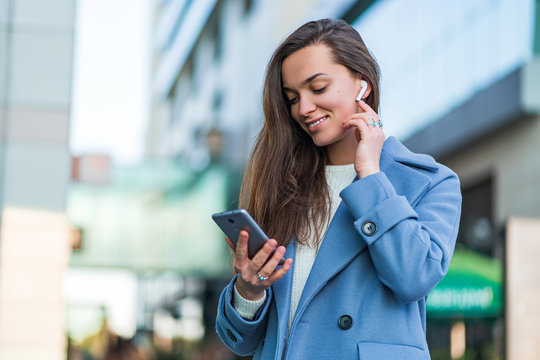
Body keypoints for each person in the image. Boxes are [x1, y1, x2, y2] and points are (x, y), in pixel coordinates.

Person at [215, 18, 461, 359]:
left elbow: (414, 277)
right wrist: (248, 290)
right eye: (292, 97)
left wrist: (371, 176)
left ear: (363, 84)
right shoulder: (282, 183)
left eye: (318, 89)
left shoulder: (429, 182)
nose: (303, 109)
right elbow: (240, 341)